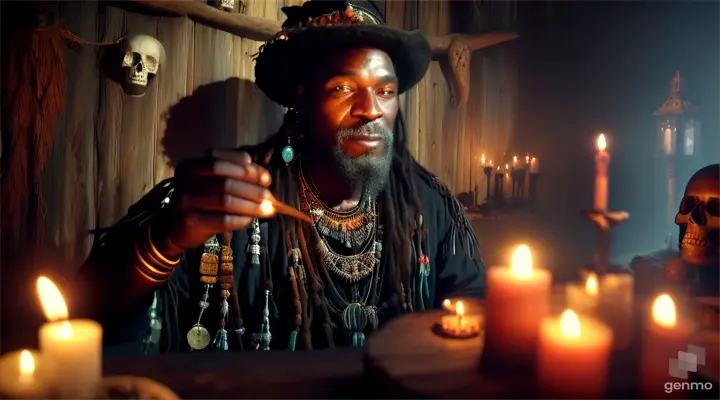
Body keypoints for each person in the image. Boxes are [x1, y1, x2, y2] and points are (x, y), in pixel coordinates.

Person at [73, 0, 485, 355]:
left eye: (385, 91)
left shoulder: (427, 203)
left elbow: (473, 314)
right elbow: (88, 319)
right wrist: (166, 238)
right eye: (344, 88)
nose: (371, 109)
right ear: (303, 97)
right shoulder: (233, 197)